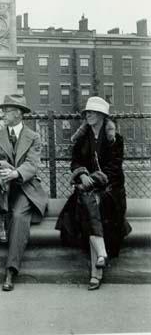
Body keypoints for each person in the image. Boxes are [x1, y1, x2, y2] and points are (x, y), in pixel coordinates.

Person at [55, 96, 132, 290]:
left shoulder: (115, 139)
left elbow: (114, 169)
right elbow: (75, 162)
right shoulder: (82, 138)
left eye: (91, 112)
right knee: (87, 202)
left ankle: (98, 264)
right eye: (87, 113)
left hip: (110, 189)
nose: (88, 115)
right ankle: (99, 260)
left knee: (91, 206)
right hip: (86, 187)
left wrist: (94, 179)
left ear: (101, 115)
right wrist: (81, 175)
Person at [0, 94, 48, 291]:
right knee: (0, 165)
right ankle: (3, 213)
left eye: (7, 110)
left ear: (18, 114)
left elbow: (32, 165)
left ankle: (11, 270)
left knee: (19, 217)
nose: (3, 114)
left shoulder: (34, 137)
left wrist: (15, 173)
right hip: (2, 187)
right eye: (3, 110)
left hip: (24, 188)